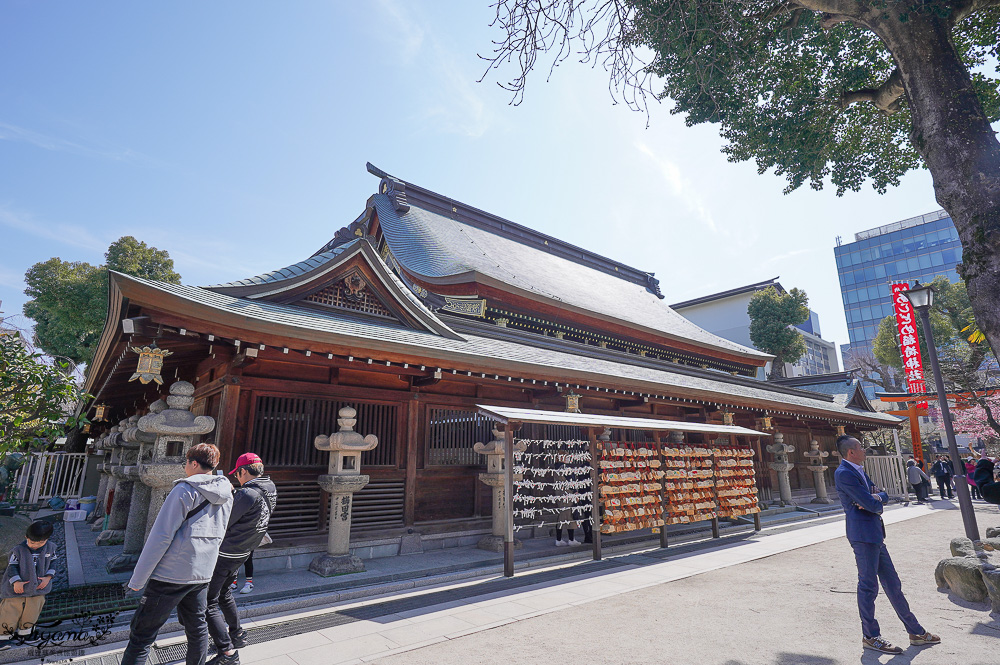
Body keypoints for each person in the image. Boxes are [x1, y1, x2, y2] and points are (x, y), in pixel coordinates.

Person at [120, 444, 233, 665]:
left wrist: (138, 579)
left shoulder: (184, 490)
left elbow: (160, 536)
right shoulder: (228, 493)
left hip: (170, 573)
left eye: (186, 462)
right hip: (202, 571)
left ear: (193, 463)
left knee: (142, 633)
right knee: (197, 627)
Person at [834, 435, 940, 654]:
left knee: (893, 583)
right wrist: (875, 499)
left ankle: (915, 631)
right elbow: (871, 502)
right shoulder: (844, 473)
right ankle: (870, 636)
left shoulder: (859, 470)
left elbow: (878, 496)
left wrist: (877, 498)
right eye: (861, 447)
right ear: (851, 452)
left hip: (874, 533)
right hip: (862, 535)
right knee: (868, 585)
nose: (865, 450)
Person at [205, 453, 277, 665]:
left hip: (227, 552)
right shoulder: (270, 487)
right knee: (225, 593)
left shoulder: (247, 494)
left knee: (207, 602)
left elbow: (224, 521)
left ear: (243, 471)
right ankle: (237, 635)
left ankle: (226, 652)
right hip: (243, 551)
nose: (236, 478)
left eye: (237, 474)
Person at [0, 521, 57, 648]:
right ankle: (3, 636)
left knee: (32, 610)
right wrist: (16, 581)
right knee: (10, 609)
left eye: (40, 543)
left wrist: (48, 577)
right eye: (32, 542)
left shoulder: (51, 548)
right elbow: (11, 567)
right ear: (26, 537)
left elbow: (53, 564)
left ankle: (26, 633)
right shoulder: (18, 550)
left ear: (46, 539)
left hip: (38, 588)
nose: (35, 545)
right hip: (17, 588)